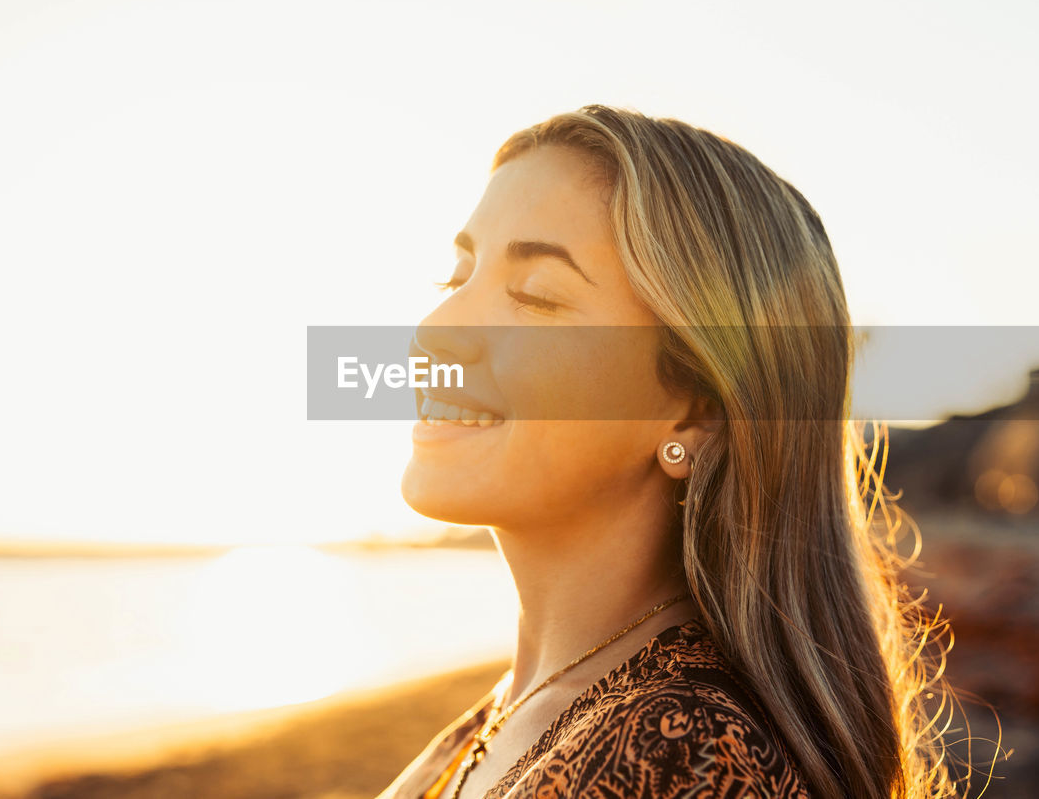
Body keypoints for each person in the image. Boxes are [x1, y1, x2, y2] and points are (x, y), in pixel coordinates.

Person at [378, 106, 962, 799]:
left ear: (696, 408)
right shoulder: (532, 697)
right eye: (456, 277)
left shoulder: (689, 759)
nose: (435, 329)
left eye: (535, 297)